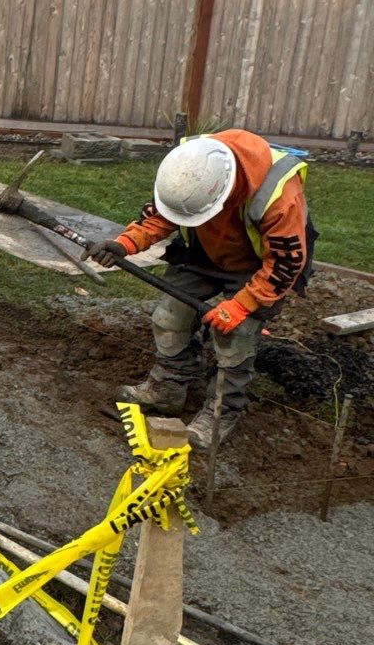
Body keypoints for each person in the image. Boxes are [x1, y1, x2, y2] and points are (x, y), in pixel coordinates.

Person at [90, 130, 313, 449]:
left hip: (259, 265)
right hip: (204, 253)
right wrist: (125, 243)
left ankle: (222, 412)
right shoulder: (189, 165)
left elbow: (285, 262)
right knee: (168, 317)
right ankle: (168, 386)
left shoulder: (279, 196)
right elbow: (161, 216)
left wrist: (242, 305)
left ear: (224, 193)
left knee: (235, 336)